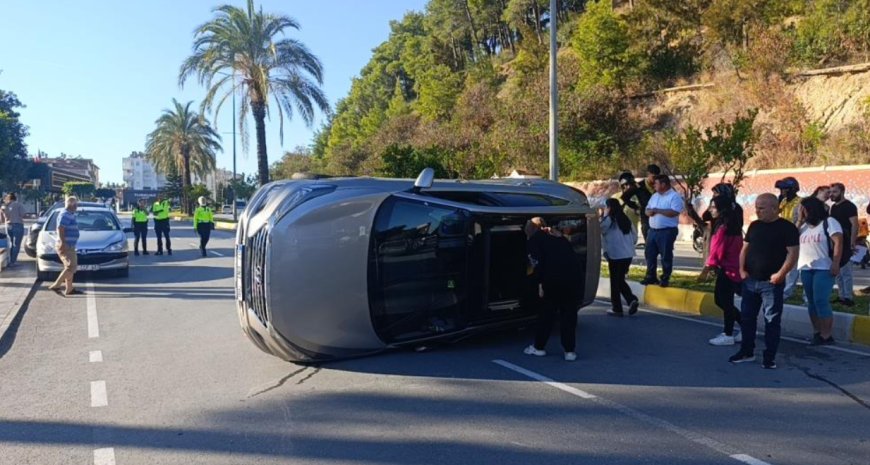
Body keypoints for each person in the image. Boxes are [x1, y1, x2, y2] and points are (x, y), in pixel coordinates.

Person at [730, 193, 799, 369]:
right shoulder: (755, 226)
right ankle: (747, 351)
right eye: (756, 208)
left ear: (774, 209)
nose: (757, 211)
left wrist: (781, 274)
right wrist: (741, 269)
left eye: (761, 208)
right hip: (750, 281)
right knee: (747, 318)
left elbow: (793, 254)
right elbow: (745, 249)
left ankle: (770, 357)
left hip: (771, 283)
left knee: (771, 320)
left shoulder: (787, 228)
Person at [522, 217, 582, 361]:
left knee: (546, 315)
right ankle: (569, 351)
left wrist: (537, 283)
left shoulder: (534, 241)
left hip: (552, 281)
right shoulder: (559, 238)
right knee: (569, 316)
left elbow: (534, 264)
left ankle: (539, 347)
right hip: (572, 280)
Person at [699, 195, 744, 346]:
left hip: (728, 269)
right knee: (724, 300)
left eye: (713, 207)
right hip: (733, 268)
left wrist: (707, 268)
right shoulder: (733, 225)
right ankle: (744, 327)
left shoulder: (723, 228)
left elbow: (717, 251)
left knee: (724, 301)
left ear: (721, 209)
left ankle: (728, 333)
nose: (711, 210)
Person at [798, 196, 843, 345]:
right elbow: (792, 237)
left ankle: (826, 334)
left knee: (820, 300)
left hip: (824, 267)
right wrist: (799, 220)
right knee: (811, 301)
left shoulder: (829, 222)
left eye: (803, 209)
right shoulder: (804, 226)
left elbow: (838, 242)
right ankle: (817, 331)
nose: (801, 211)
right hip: (806, 267)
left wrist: (835, 263)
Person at [641, 174, 684, 287]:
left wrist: (658, 210)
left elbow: (674, 212)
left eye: (656, 183)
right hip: (653, 230)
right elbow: (647, 209)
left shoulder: (674, 196)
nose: (654, 185)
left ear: (663, 184)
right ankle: (650, 276)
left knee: (665, 254)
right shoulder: (654, 196)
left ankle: (665, 277)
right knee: (649, 253)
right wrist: (649, 212)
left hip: (667, 231)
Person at [601, 198, 639, 317]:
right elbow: (634, 237)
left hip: (615, 255)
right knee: (620, 280)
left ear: (609, 208)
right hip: (628, 254)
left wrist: (604, 216)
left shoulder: (608, 220)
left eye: (606, 207)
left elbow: (600, 230)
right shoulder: (625, 219)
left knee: (615, 282)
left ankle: (617, 308)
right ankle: (631, 300)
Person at [686, 183, 743, 262]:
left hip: (726, 238)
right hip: (721, 236)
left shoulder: (732, 208)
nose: (714, 196)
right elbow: (705, 216)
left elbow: (705, 217)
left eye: (716, 193)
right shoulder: (736, 207)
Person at [829, 183, 857, 306]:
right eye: (830, 192)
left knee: (846, 272)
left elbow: (855, 225)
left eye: (834, 192)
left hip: (846, 242)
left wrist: (852, 241)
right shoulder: (833, 207)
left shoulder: (849, 206)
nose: (831, 194)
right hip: (836, 243)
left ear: (842, 192)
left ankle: (848, 298)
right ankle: (841, 296)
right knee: (838, 272)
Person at [48, 197, 82, 296]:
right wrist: (63, 242)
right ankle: (56, 285)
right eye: (75, 204)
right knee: (71, 266)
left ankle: (69, 288)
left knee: (69, 267)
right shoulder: (65, 214)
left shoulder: (69, 214)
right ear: (72, 205)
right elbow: (60, 228)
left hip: (69, 244)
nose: (77, 206)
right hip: (66, 245)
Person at [776, 177, 802, 299]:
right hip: (781, 236)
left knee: (792, 265)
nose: (782, 191)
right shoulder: (783, 202)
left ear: (792, 189)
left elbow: (800, 220)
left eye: (784, 189)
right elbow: (775, 213)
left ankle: (787, 292)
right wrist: (778, 202)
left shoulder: (800, 202)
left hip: (794, 236)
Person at [0, 193, 26, 266]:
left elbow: (1, 220)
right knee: (16, 244)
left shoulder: (4, 206)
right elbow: (23, 215)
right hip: (18, 225)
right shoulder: (18, 205)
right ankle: (13, 262)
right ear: (15, 198)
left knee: (10, 243)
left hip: (8, 225)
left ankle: (9, 260)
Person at [639, 164, 661, 240]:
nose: (655, 180)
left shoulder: (660, 186)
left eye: (657, 177)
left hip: (659, 220)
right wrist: (635, 207)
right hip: (645, 219)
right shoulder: (639, 186)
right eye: (653, 177)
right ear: (648, 174)